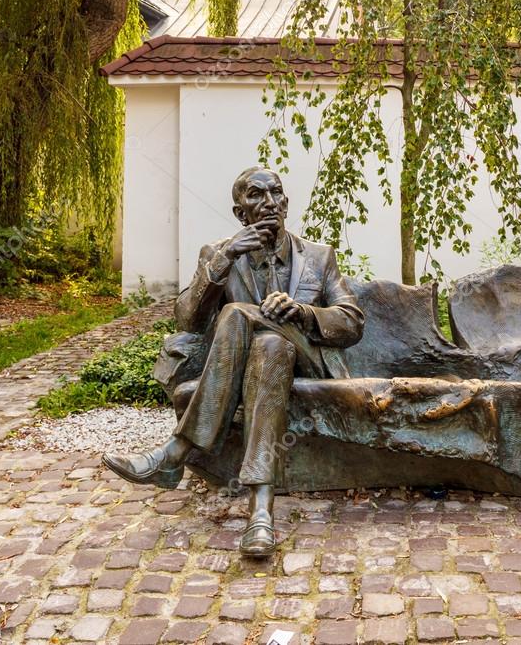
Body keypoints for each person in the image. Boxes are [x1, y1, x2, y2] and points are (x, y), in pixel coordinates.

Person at [103, 166, 364, 556]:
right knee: (268, 349)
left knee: (238, 314)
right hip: (263, 363)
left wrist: (303, 313)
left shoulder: (318, 257)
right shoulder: (218, 254)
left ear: (286, 203)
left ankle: (175, 452)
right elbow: (188, 319)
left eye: (276, 193)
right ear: (240, 212)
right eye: (256, 195)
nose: (270, 202)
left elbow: (352, 321)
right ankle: (260, 512)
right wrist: (225, 259)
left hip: (309, 359)